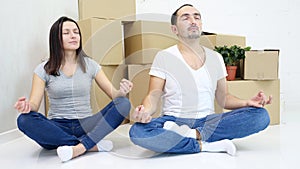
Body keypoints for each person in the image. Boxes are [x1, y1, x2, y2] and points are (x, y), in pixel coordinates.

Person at [129, 4, 272, 156]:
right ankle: (205, 145)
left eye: (197, 17)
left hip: (208, 122)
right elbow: (153, 95)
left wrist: (246, 103)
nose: (193, 21)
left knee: (261, 116)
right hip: (173, 121)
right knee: (137, 132)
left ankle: (192, 136)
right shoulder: (164, 57)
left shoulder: (216, 58)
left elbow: (224, 98)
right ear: (174, 29)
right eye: (186, 17)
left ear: (201, 24)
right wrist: (144, 111)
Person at [14, 16, 133, 162]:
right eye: (66, 33)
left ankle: (77, 147)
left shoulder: (91, 65)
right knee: (24, 120)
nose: (73, 36)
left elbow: (114, 95)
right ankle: (89, 144)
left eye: (76, 32)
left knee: (124, 104)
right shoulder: (43, 69)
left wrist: (121, 92)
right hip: (57, 127)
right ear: (56, 38)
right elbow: (34, 104)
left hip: (86, 124)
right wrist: (27, 106)